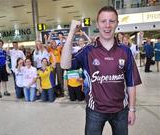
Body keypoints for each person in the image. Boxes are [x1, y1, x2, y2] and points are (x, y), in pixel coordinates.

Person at [61, 6, 142, 135]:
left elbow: (131, 83)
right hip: (95, 110)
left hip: (121, 110)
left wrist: (132, 109)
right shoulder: (88, 51)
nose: (107, 25)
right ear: (97, 24)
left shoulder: (125, 51)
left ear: (117, 23)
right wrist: (71, 33)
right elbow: (65, 65)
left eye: (111, 21)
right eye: (103, 21)